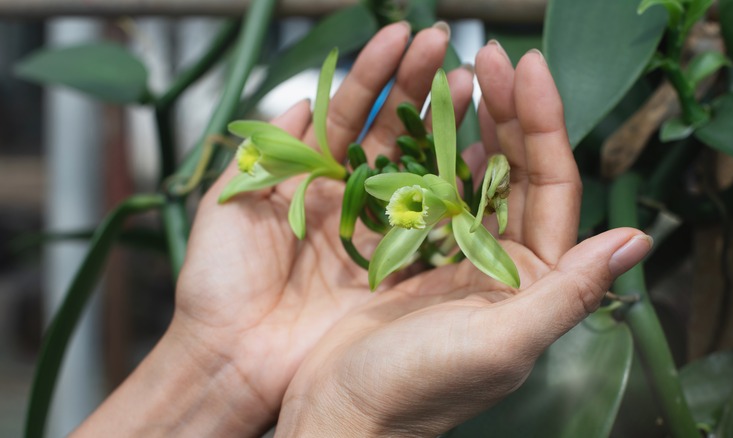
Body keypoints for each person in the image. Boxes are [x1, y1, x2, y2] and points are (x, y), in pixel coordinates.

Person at [72, 21, 652, 437]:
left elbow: (407, 210)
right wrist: (343, 414)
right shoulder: (403, 221)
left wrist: (217, 365)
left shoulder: (437, 225)